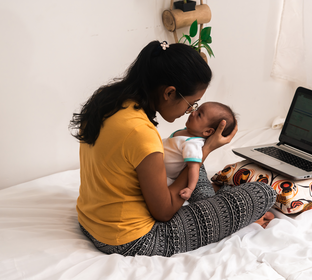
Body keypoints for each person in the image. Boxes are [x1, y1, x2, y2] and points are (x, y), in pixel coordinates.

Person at [70, 40, 276, 257]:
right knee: (263, 193)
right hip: (132, 239)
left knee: (187, 154)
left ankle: (210, 202)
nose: (189, 112)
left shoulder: (106, 100)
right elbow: (164, 212)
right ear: (169, 93)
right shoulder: (141, 133)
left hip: (90, 222)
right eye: (191, 104)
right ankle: (215, 204)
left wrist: (199, 153)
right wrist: (206, 150)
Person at [163, 101, 237, 200]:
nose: (193, 112)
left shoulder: (192, 144)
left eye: (199, 114)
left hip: (166, 178)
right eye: (197, 109)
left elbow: (194, 168)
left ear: (207, 131)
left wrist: (190, 188)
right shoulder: (188, 131)